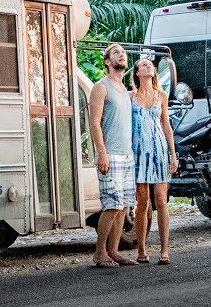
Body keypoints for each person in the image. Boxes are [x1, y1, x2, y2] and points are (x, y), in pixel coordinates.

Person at [88, 43, 136, 268]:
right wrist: (102, 154)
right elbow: (95, 123)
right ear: (107, 61)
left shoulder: (125, 90)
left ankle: (113, 251)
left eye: (123, 53)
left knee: (124, 205)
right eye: (116, 52)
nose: (122, 55)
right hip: (111, 155)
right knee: (112, 205)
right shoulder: (101, 87)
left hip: (127, 156)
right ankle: (99, 253)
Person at [131, 57, 177, 265]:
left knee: (161, 199)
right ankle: (141, 249)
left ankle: (165, 250)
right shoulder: (130, 96)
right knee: (142, 202)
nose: (148, 66)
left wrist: (173, 154)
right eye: (143, 65)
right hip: (138, 152)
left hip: (159, 150)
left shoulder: (162, 95)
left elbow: (166, 125)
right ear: (137, 73)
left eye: (150, 65)